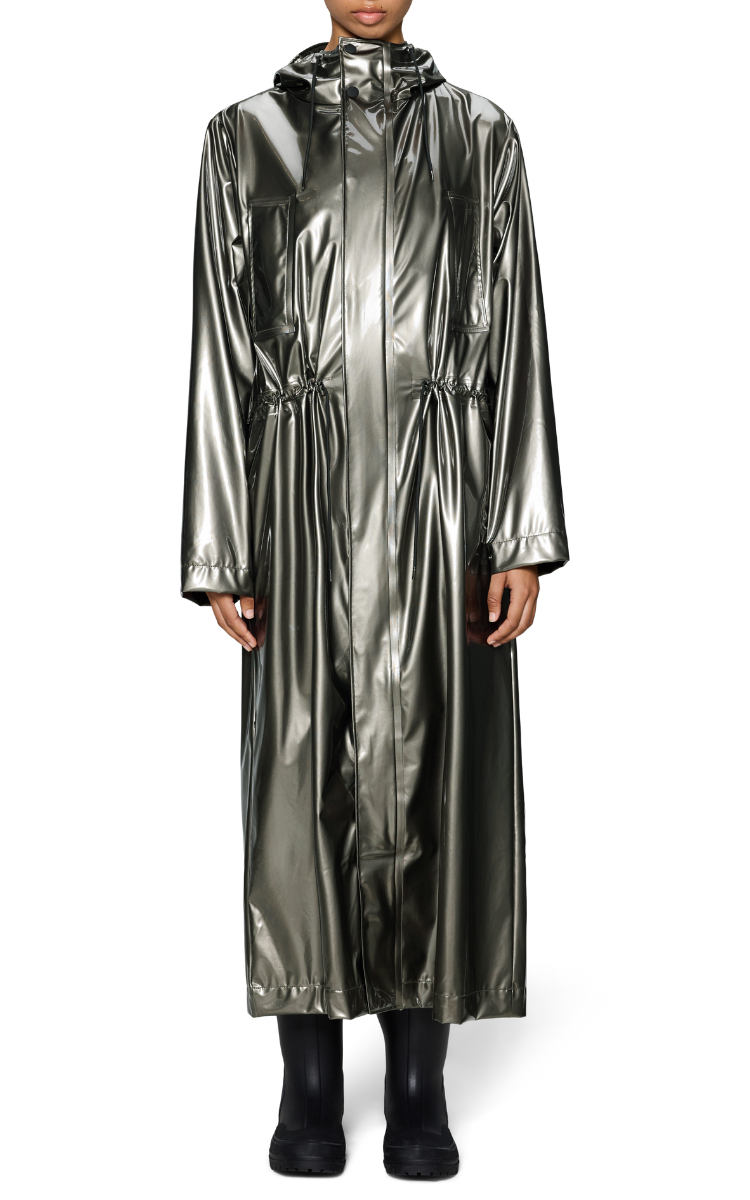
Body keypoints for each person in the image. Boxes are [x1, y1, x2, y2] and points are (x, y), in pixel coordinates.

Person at [179, 0, 569, 1176]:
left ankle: (417, 1084)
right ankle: (306, 1078)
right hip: (299, 497)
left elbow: (518, 334)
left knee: (436, 778)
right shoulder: (248, 133)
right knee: (301, 777)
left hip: (441, 494)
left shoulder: (479, 132)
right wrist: (221, 543)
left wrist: (521, 534)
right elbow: (219, 346)